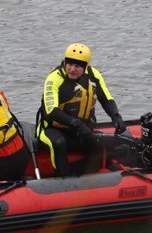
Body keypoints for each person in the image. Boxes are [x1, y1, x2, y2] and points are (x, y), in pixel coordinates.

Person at [35, 43, 127, 176]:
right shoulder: (54, 78)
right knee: (59, 144)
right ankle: (63, 176)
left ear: (85, 66)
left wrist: (116, 117)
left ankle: (84, 173)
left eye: (77, 66)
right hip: (52, 129)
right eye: (69, 64)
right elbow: (51, 111)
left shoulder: (93, 75)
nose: (72, 69)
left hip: (80, 129)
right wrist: (77, 124)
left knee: (100, 146)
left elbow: (106, 99)